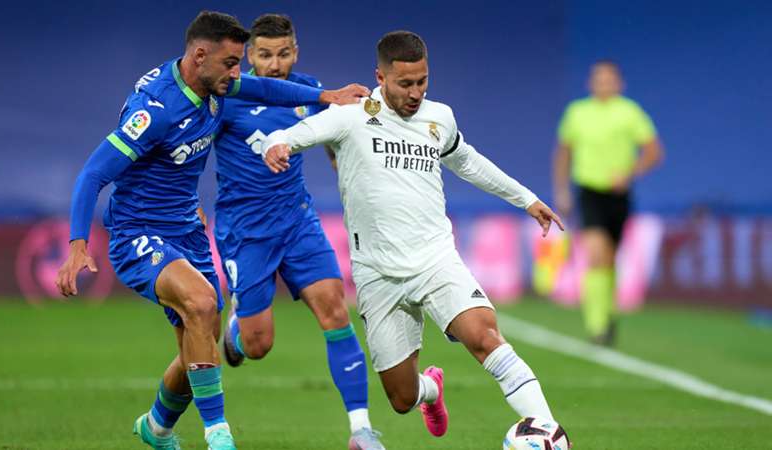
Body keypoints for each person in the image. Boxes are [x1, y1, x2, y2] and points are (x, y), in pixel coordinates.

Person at [54, 10, 368, 450]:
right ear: (200, 55)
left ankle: (157, 428)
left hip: (188, 230)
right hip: (139, 232)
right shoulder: (158, 110)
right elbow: (92, 173)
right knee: (202, 304)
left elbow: (263, 87)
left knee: (198, 344)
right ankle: (219, 437)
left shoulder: (216, 84)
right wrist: (77, 245)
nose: (237, 73)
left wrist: (328, 94)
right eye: (231, 63)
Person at [262, 31, 565, 441]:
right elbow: (292, 134)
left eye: (422, 81)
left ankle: (546, 430)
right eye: (405, 83)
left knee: (484, 335)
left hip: (435, 260)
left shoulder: (439, 117)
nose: (416, 92)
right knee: (401, 397)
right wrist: (276, 146)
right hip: (378, 274)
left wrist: (525, 199)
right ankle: (432, 389)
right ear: (380, 78)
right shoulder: (350, 117)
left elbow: (469, 162)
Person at [213, 14, 384, 450]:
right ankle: (237, 329)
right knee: (258, 345)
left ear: (296, 51)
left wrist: (343, 169)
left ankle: (361, 430)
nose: (274, 64)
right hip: (246, 231)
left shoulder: (309, 91)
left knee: (335, 311)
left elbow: (333, 136)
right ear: (249, 56)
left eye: (283, 53)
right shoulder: (227, 96)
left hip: (297, 222)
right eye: (265, 55)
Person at [552, 60, 663, 346]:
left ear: (619, 83)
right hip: (589, 191)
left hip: (618, 195)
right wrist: (562, 190)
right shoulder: (577, 113)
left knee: (611, 258)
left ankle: (608, 313)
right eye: (599, 79)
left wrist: (630, 173)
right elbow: (564, 153)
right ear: (591, 83)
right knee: (596, 253)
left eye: (609, 79)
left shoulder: (630, 112)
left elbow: (653, 151)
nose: (604, 84)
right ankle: (597, 324)